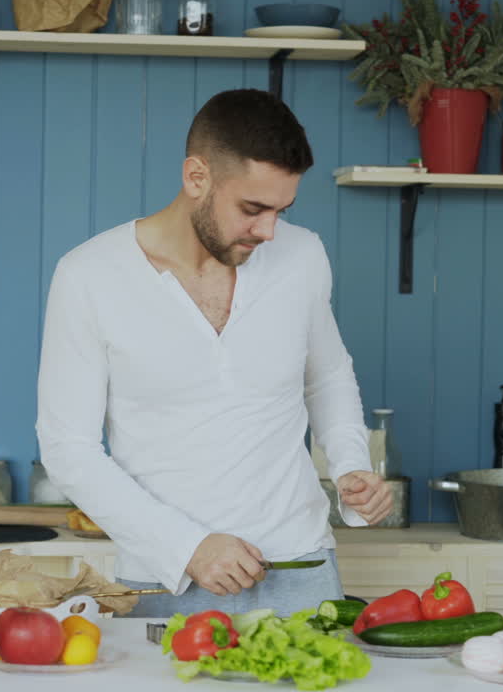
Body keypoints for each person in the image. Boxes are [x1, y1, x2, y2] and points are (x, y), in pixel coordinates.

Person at [36, 89, 391, 617]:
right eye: (252, 209)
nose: (269, 231)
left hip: (302, 571)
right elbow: (68, 448)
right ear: (196, 177)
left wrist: (350, 466)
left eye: (281, 210)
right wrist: (188, 547)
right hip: (165, 580)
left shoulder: (303, 256)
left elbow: (328, 376)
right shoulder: (88, 276)